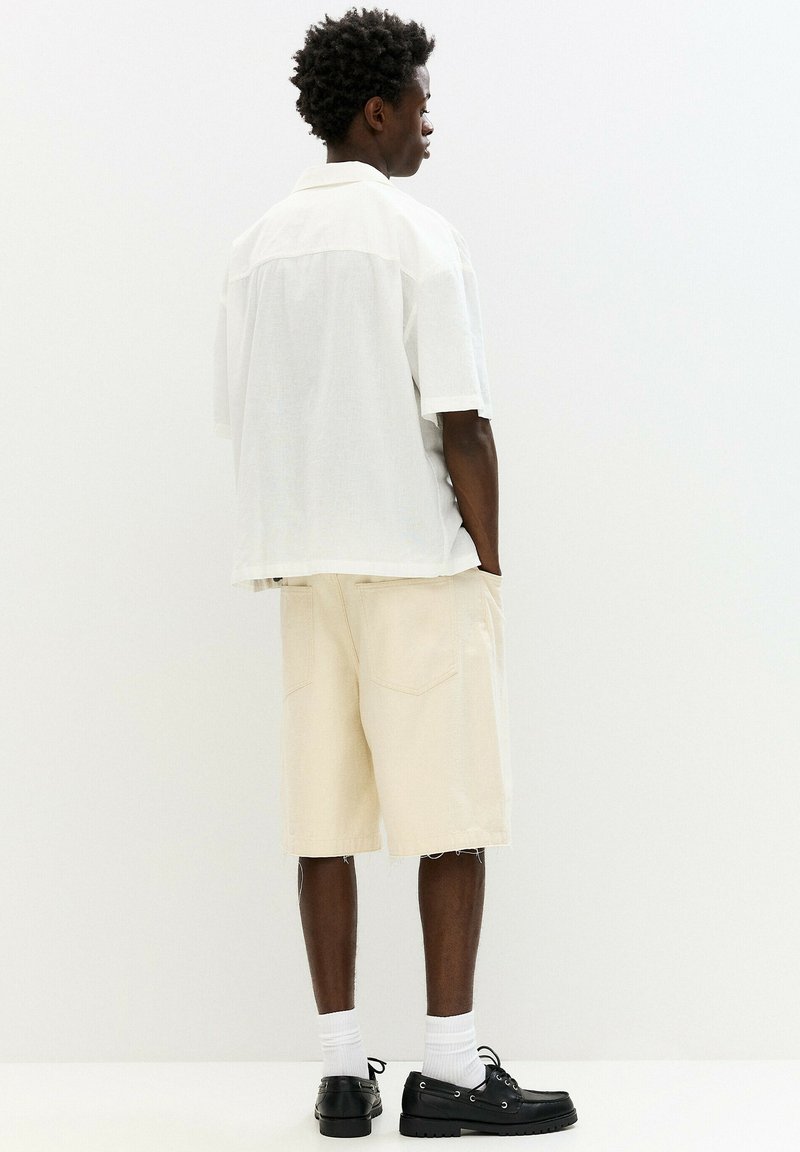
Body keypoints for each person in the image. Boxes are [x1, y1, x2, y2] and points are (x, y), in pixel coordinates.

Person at [213, 5, 577, 1139]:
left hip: (303, 566)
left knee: (321, 819)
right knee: (449, 812)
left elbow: (239, 411)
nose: (430, 124)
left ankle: (339, 1074)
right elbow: (462, 419)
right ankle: (450, 1070)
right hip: (415, 563)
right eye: (421, 103)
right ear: (377, 110)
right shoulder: (417, 236)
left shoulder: (256, 246)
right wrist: (491, 561)